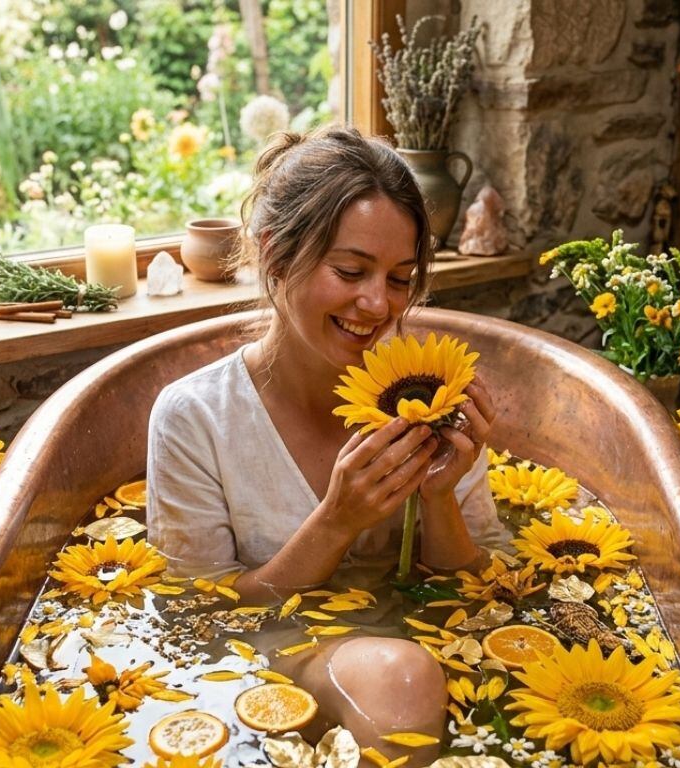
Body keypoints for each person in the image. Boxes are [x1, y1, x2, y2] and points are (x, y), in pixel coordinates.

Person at [147, 125, 508, 762]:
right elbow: (194, 619)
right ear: (275, 256)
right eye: (350, 271)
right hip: (275, 658)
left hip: (428, 637)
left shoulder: (426, 394)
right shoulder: (196, 419)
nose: (377, 305)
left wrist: (440, 497)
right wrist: (337, 522)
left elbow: (481, 586)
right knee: (402, 681)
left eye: (400, 278)